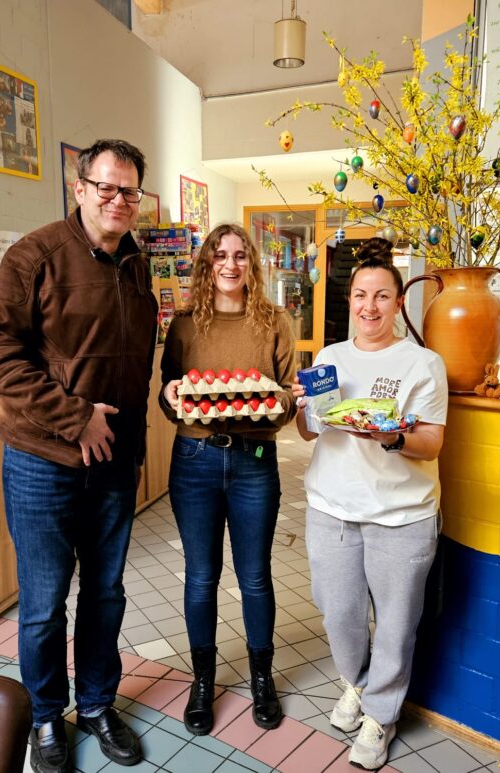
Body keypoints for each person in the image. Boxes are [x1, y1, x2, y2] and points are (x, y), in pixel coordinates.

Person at [0, 139, 157, 773]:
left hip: (113, 465)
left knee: (105, 594)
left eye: (129, 190)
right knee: (44, 603)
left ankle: (98, 704)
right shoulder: (35, 256)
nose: (117, 200)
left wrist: (131, 447)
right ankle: (47, 717)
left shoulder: (137, 266)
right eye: (106, 187)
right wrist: (76, 418)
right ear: (79, 189)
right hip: (41, 463)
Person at [291, 238, 447, 771]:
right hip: (331, 508)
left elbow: (432, 442)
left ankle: (381, 715)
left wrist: (393, 437)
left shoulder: (423, 363)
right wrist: (304, 408)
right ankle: (357, 683)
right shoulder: (330, 358)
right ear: (350, 299)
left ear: (399, 302)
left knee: (397, 625)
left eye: (382, 296)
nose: (370, 306)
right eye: (361, 295)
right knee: (339, 615)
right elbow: (311, 432)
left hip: (401, 516)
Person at [159, 223, 297, 736]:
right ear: (207, 264)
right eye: (220, 255)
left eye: (240, 255)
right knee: (201, 576)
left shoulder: (275, 322)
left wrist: (281, 403)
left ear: (251, 264)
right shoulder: (184, 324)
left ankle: (262, 677)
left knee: (255, 575)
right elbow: (169, 393)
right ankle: (202, 681)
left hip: (254, 459)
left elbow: (288, 394)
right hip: (195, 459)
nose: (231, 264)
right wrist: (170, 395)